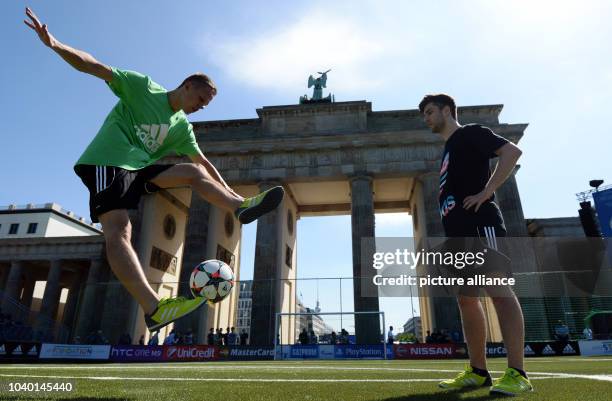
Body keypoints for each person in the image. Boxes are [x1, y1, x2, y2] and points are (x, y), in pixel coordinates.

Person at [24, 7, 284, 333]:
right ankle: (153, 307)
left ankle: (241, 209)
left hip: (138, 170)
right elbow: (95, 67)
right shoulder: (142, 88)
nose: (201, 107)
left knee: (194, 174)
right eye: (201, 99)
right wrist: (56, 45)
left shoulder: (181, 128)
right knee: (120, 231)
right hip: (108, 161)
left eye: (206, 105)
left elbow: (203, 163)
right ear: (188, 85)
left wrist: (236, 197)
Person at [419, 94, 532, 395]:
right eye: (425, 114)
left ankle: (517, 372)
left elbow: (511, 152)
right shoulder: (447, 150)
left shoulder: (470, 133)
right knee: (466, 299)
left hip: (481, 226)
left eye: (430, 112)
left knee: (498, 292)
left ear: (447, 110)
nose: (427, 118)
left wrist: (487, 191)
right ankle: (479, 371)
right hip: (459, 236)